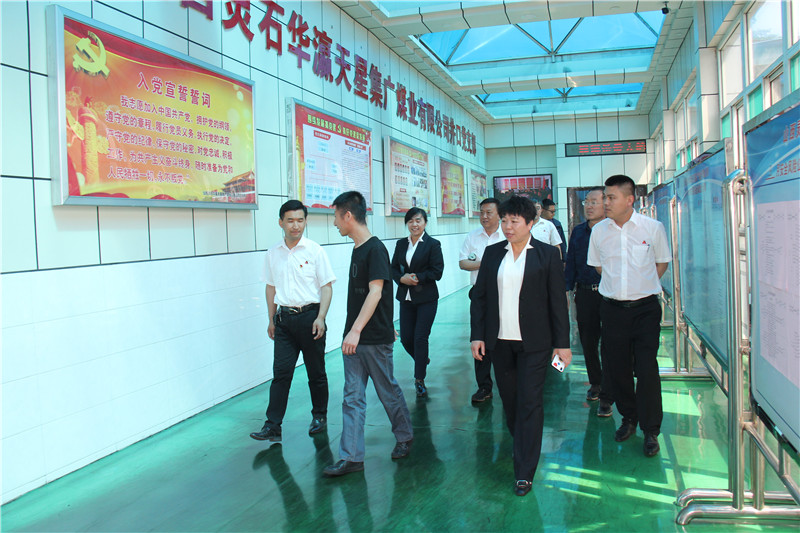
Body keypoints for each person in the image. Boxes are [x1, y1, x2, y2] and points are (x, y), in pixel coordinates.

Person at [470, 195, 572, 497]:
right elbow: (480, 298)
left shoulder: (547, 255)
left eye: (514, 221)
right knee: (511, 401)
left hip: (535, 344)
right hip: (500, 342)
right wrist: (477, 335)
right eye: (504, 220)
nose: (507, 226)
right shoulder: (492, 254)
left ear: (530, 223)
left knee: (530, 401)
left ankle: (525, 471)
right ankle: (523, 441)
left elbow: (558, 302)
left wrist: (562, 344)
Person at [323, 191, 414, 477]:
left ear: (348, 216)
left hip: (371, 338)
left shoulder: (375, 249)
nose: (335, 223)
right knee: (352, 397)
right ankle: (351, 457)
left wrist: (356, 331)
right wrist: (351, 333)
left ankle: (405, 435)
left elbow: (376, 292)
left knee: (387, 390)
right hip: (355, 337)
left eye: (336, 217)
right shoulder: (358, 248)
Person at [587, 175, 671, 457]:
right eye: (605, 197)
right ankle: (629, 419)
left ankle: (651, 430)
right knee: (618, 368)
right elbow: (599, 267)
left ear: (629, 200)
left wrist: (639, 285)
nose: (606, 203)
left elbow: (661, 263)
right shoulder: (599, 232)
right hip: (612, 310)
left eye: (611, 197)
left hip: (645, 310)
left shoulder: (652, 228)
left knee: (646, 369)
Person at [250, 200, 336, 443]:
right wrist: (271, 319)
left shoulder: (315, 251)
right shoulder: (273, 253)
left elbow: (326, 287)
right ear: (281, 223)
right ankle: (272, 425)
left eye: (300, 220)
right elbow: (270, 288)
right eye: (290, 220)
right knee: (281, 374)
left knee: (316, 372)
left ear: (305, 221)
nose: (295, 225)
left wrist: (321, 317)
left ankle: (319, 416)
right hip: (284, 321)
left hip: (311, 319)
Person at [565, 188, 613, 416]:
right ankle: (596, 383)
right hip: (584, 294)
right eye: (587, 202)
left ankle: (609, 393)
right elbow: (571, 263)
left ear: (606, 204)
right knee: (588, 341)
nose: (589, 206)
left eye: (595, 202)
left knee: (610, 343)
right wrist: (566, 291)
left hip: (610, 294)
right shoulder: (578, 232)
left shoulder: (613, 230)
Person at [391, 208, 444, 398]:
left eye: (418, 220)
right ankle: (422, 359)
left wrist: (417, 277)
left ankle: (419, 379)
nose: (414, 224)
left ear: (425, 223)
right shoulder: (401, 244)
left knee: (420, 338)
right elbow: (393, 268)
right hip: (406, 298)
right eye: (411, 221)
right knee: (406, 339)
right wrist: (401, 278)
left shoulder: (433, 244)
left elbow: (437, 271)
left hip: (426, 298)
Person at [459, 197, 503, 404]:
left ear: (499, 214)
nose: (484, 216)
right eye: (482, 212)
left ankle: (507, 383)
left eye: (489, 212)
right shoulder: (473, 236)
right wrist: (487, 263)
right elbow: (463, 263)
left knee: (502, 337)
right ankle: (484, 387)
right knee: (479, 337)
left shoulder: (507, 235)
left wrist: (480, 263)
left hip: (503, 292)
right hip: (479, 294)